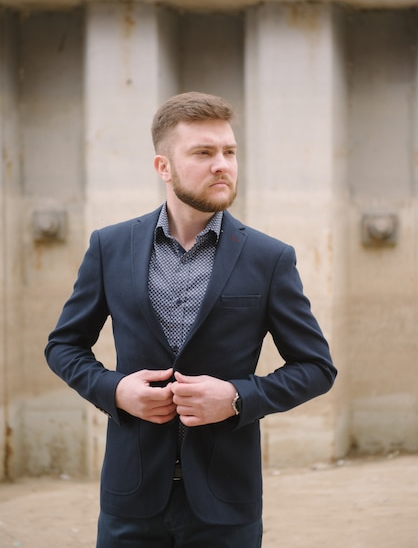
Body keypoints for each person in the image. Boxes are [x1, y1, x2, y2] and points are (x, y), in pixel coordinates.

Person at [45, 91, 337, 547]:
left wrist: (238, 396)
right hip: (131, 498)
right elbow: (63, 346)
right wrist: (116, 390)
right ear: (163, 167)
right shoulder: (110, 246)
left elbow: (317, 368)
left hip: (227, 504)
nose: (222, 164)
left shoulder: (269, 258)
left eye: (229, 152)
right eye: (203, 153)